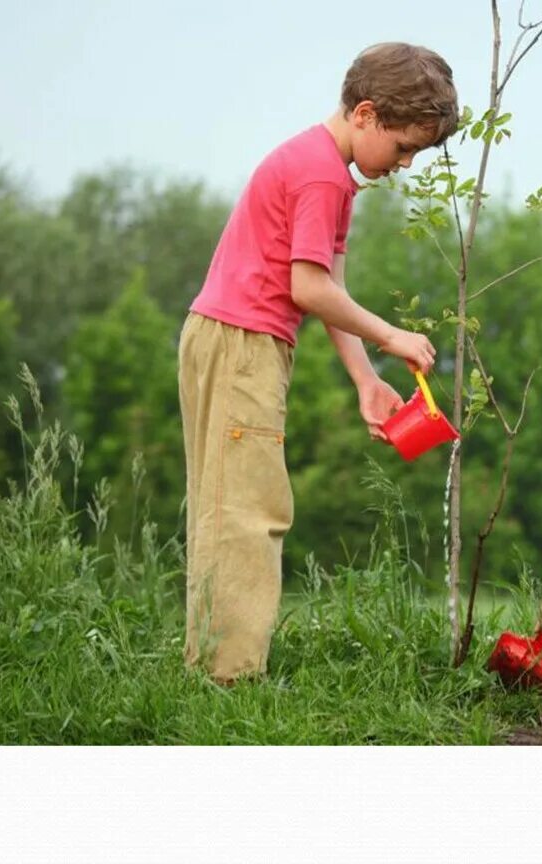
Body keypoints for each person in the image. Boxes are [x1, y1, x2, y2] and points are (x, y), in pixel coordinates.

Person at [179, 42, 459, 684]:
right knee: (249, 510)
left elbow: (328, 286)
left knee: (227, 503)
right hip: (242, 343)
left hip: (238, 340)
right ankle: (228, 678)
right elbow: (307, 289)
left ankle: (213, 666)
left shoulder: (333, 175)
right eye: (404, 147)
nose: (406, 164)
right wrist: (392, 336)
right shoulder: (320, 174)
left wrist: (365, 378)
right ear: (366, 114)